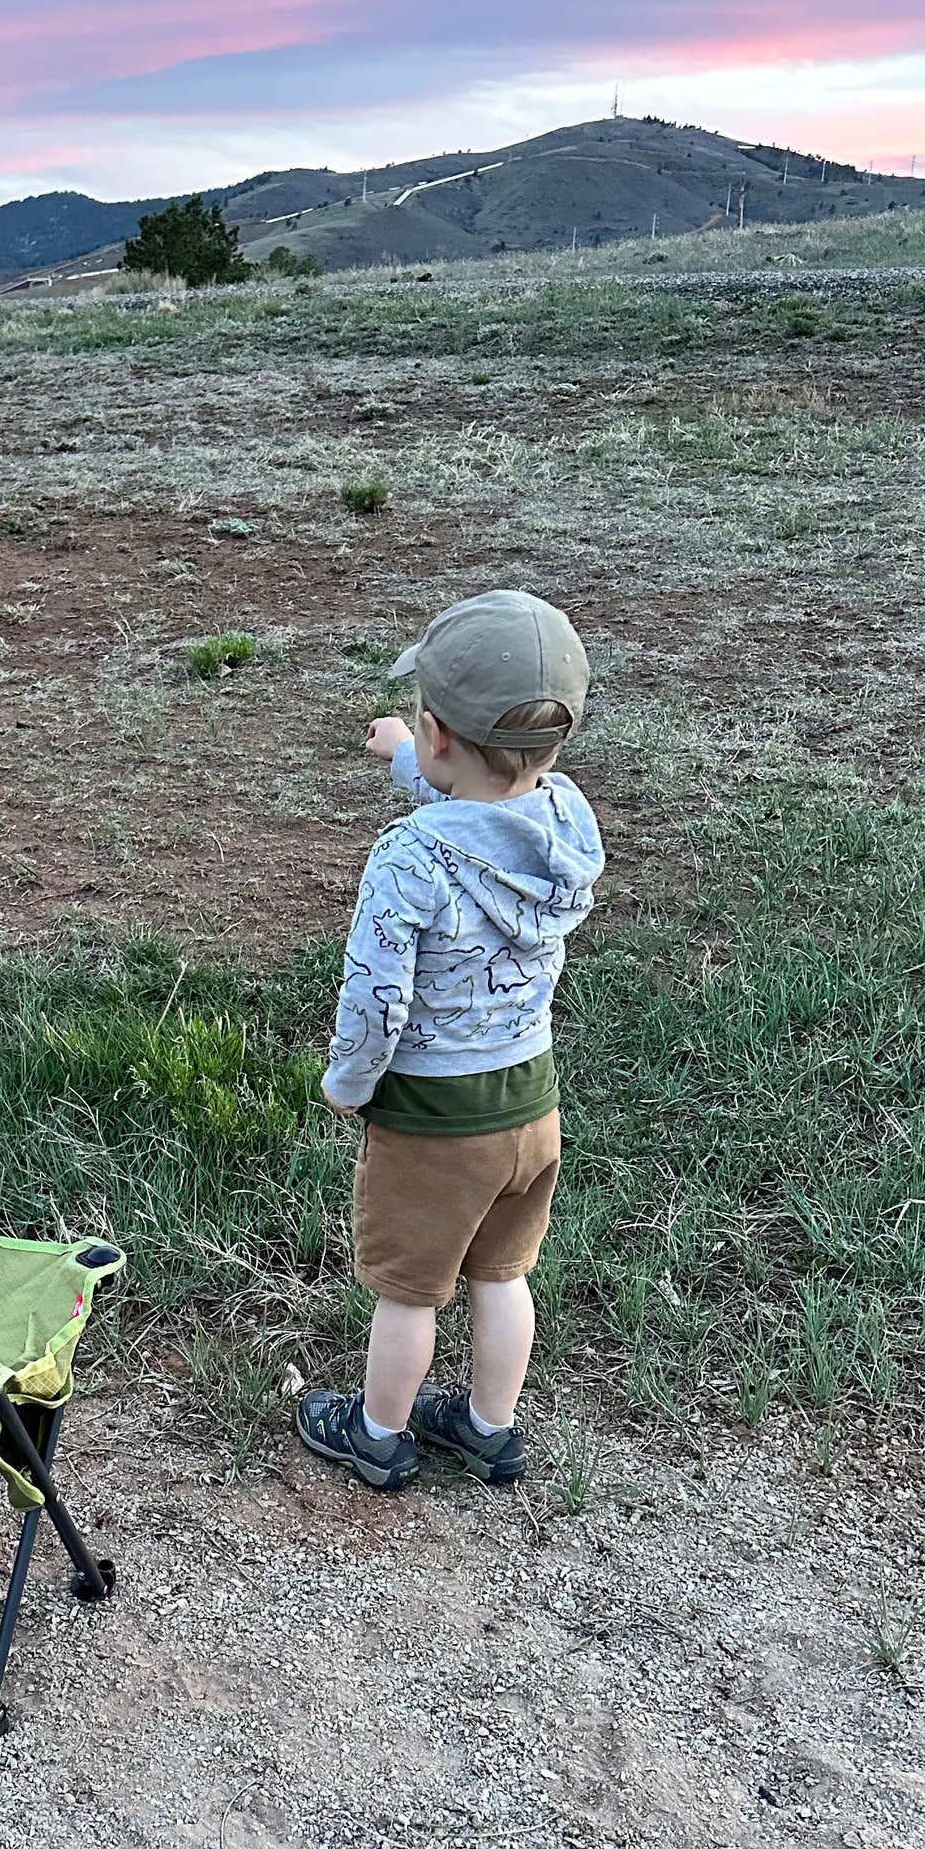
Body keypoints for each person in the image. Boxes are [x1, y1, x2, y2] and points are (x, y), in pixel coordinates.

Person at [296, 590, 605, 1490]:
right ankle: (486, 1428)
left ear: (437, 732)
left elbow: (377, 995)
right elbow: (486, 804)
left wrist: (349, 1082)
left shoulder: (408, 859)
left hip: (435, 1120)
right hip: (529, 1105)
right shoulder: (566, 822)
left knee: (410, 1290)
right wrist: (406, 760)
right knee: (501, 1276)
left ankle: (379, 1433)